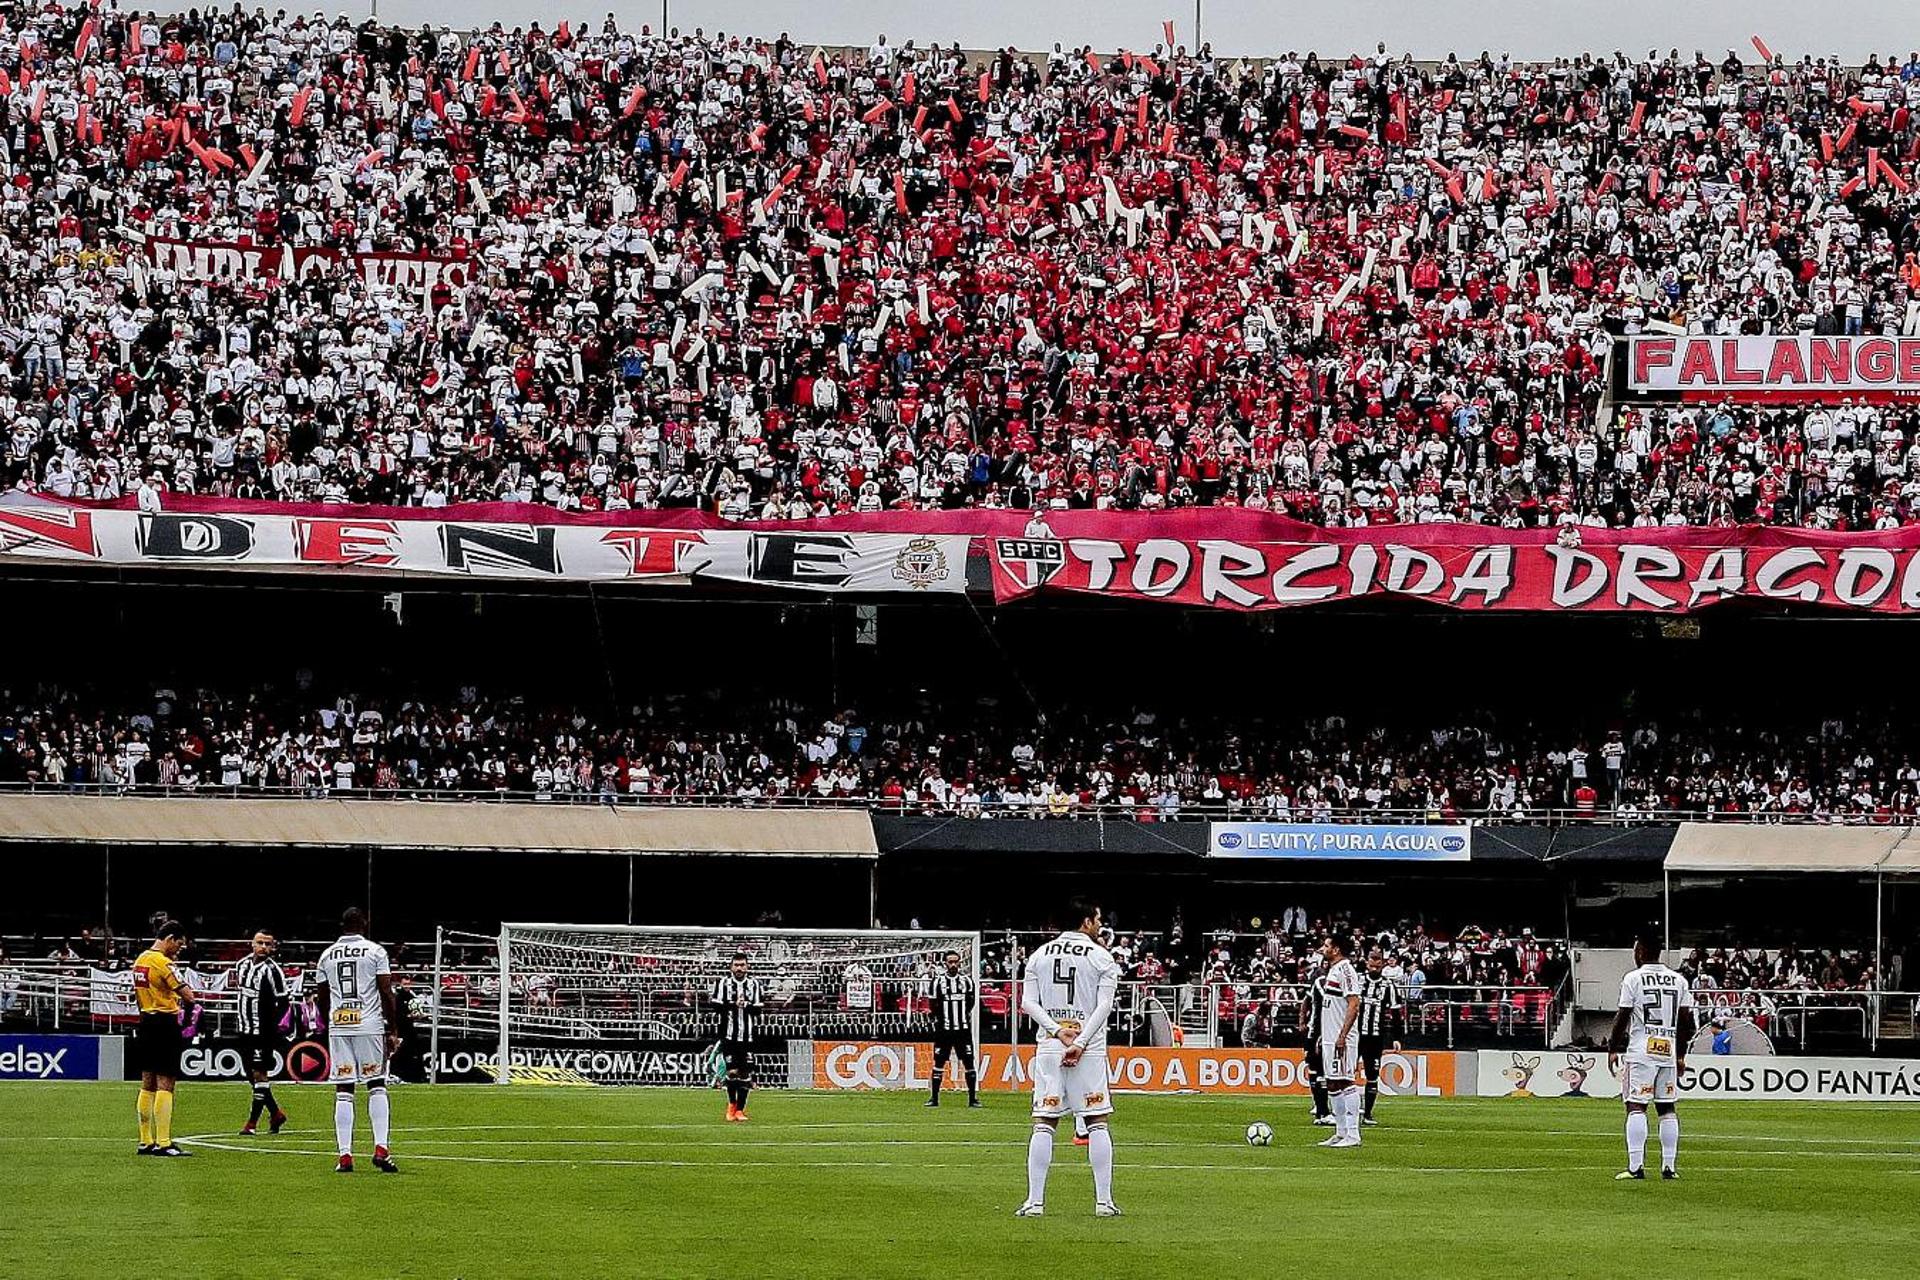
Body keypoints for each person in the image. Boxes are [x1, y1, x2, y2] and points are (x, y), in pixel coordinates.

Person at [1015, 897, 1122, 1218]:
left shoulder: (1038, 955)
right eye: (1098, 918)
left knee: (1044, 1123)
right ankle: (1103, 1202)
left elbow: (1028, 1003)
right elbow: (1104, 1006)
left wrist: (1057, 1032)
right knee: (1097, 1120)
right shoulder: (1102, 957)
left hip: (1050, 1046)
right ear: (1086, 921)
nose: (1100, 924)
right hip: (1088, 1048)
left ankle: (1035, 1202)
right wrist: (1081, 1041)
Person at [313, 908, 398, 1173]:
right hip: (369, 1025)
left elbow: (322, 996)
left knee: (344, 1089)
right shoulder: (375, 951)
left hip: (340, 1025)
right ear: (365, 924)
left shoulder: (326, 955)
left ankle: (345, 1155)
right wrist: (392, 1029)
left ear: (342, 926)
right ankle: (381, 1148)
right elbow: (386, 991)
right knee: (376, 1085)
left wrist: (330, 1023)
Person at [1610, 929, 1695, 1180]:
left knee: (1636, 1105)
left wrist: (1612, 1047)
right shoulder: (1678, 980)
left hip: (1641, 1050)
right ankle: (1669, 1167)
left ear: (1641, 951)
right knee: (1667, 1107)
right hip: (1667, 1050)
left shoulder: (1633, 978)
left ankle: (1636, 1167)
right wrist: (1680, 1055)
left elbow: (1623, 1015)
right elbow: (1685, 1020)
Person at [132, 922, 195, 1157]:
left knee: (147, 1083)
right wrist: (191, 1012)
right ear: (169, 938)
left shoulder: (140, 961)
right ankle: (164, 1142)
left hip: (146, 1021)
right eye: (178, 944)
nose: (178, 949)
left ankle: (145, 1140)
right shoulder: (163, 962)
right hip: (164, 1024)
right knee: (166, 1082)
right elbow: (187, 995)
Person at [232, 930, 290, 1135]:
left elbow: (284, 1002)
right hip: (243, 1028)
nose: (263, 947)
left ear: (273, 947)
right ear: (252, 944)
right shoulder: (241, 965)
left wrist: (270, 1026)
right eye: (260, 943)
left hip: (262, 1032)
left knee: (259, 1074)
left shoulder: (273, 971)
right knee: (251, 1075)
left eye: (268, 944)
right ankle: (275, 1113)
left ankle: (251, 1123)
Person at [1316, 934, 1363, 1149]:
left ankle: (1353, 1134)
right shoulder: (1333, 971)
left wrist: (1342, 1035)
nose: (1322, 948)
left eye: (1326, 945)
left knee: (1345, 1081)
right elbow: (1332, 1008)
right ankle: (1340, 1132)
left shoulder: (1346, 970)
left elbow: (1354, 1004)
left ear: (1335, 949)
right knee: (1332, 1082)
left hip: (1342, 1038)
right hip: (1330, 1037)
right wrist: (1323, 1035)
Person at [711, 952, 764, 1121]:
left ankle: (740, 1110)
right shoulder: (723, 983)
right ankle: (731, 1105)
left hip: (747, 1036)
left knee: (744, 1073)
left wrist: (745, 1005)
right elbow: (715, 1006)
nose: (739, 968)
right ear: (731, 967)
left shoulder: (754, 985)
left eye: (742, 965)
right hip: (728, 1036)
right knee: (732, 1072)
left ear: (747, 967)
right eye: (736, 965)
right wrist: (733, 1005)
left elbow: (758, 1010)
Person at [1357, 945, 1405, 1126]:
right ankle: (1343, 1111)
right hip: (1355, 1036)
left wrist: (1397, 1037)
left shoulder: (1388, 986)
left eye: (1378, 960)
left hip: (1375, 1038)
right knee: (1345, 1074)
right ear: (1367, 961)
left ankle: (1367, 1114)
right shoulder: (1358, 981)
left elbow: (1395, 1014)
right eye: (1372, 959)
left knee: (1372, 1075)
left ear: (1383, 963)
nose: (1375, 963)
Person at [925, 950, 980, 1108]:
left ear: (960, 962)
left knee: (969, 1062)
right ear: (945, 963)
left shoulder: (967, 981)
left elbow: (971, 1002)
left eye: (956, 961)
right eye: (950, 962)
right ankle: (934, 1099)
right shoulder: (937, 982)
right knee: (939, 1062)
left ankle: (972, 1099)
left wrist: (962, 1016)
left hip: (963, 1030)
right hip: (944, 1030)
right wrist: (941, 1019)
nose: (953, 965)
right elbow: (932, 1005)